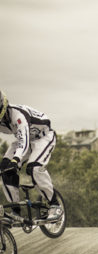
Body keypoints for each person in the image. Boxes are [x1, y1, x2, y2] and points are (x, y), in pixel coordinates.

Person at [0, 91, 62, 222]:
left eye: (2, 117)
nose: (2, 121)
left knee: (34, 168)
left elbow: (24, 141)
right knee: (5, 168)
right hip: (24, 140)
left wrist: (15, 160)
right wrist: (11, 164)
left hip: (43, 138)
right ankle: (15, 210)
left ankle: (55, 205)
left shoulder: (18, 115)